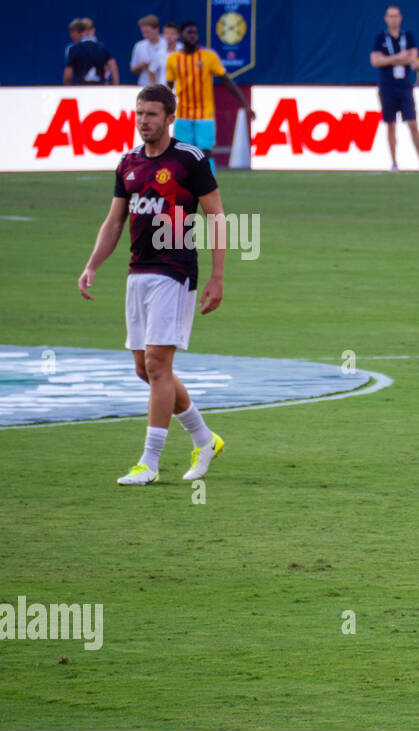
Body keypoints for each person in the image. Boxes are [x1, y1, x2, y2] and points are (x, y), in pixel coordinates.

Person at [77, 85, 227, 487]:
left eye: (152, 115)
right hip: (137, 272)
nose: (144, 121)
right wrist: (93, 264)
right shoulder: (128, 164)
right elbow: (114, 222)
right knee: (145, 369)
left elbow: (216, 217)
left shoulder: (190, 161)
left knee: (159, 365)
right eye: (140, 113)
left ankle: (150, 462)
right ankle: (203, 438)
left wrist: (217, 276)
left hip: (175, 270)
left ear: (169, 118)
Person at [166, 21, 255, 174]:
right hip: (182, 113)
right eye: (189, 33)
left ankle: (208, 186)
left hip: (205, 113)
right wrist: (165, 109)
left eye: (195, 33)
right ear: (182, 35)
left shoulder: (208, 56)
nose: (193, 36)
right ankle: (183, 188)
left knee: (205, 153)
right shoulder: (173, 59)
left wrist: (245, 104)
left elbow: (226, 81)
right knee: (182, 154)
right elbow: (169, 86)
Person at [371, 5, 419, 172]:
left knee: (412, 122)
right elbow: (375, 61)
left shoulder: (407, 36)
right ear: (386, 18)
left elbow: (413, 58)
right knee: (390, 124)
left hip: (404, 86)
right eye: (390, 16)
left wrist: (388, 59)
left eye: (396, 16)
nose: (393, 19)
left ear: (400, 18)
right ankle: (394, 162)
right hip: (387, 86)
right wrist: (397, 57)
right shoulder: (380, 38)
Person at [65, 18, 118, 85]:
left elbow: (68, 76)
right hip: (100, 88)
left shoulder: (73, 49)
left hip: (81, 89)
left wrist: (68, 90)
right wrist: (115, 87)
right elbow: (113, 68)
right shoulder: (101, 48)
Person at [130, 15, 169, 86]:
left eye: (148, 32)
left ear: (156, 29)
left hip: (164, 85)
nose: (145, 35)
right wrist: (140, 66)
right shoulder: (139, 46)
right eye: (143, 33)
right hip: (144, 85)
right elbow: (133, 69)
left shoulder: (167, 44)